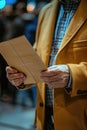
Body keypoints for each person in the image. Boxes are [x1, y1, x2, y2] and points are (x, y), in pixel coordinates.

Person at [6, 0, 87, 130]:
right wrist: (21, 75)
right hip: (45, 118)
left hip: (80, 119)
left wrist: (73, 74)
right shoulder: (46, 10)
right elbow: (39, 53)